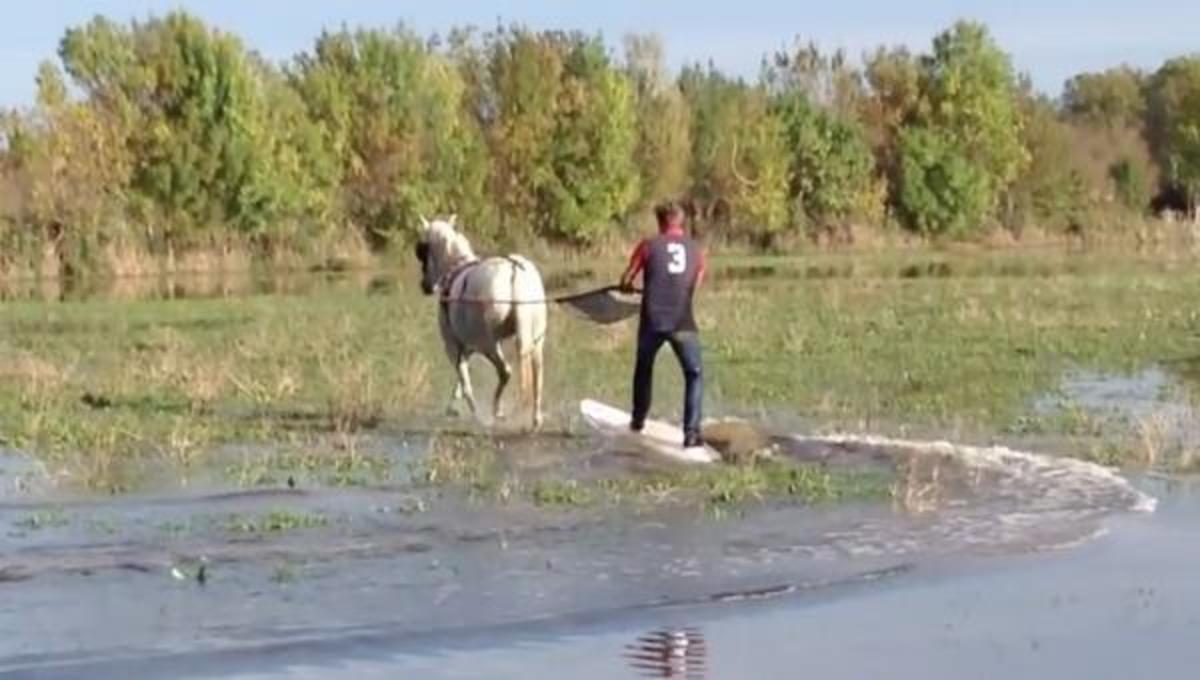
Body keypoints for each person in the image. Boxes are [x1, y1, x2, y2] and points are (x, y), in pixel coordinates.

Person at [619, 201, 707, 448]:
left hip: (653, 320)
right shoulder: (696, 250)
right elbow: (695, 283)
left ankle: (638, 422)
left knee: (644, 367)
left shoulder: (648, 246)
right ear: (681, 221)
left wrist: (628, 286)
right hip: (682, 321)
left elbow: (627, 278)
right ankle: (691, 434)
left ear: (660, 222)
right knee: (694, 374)